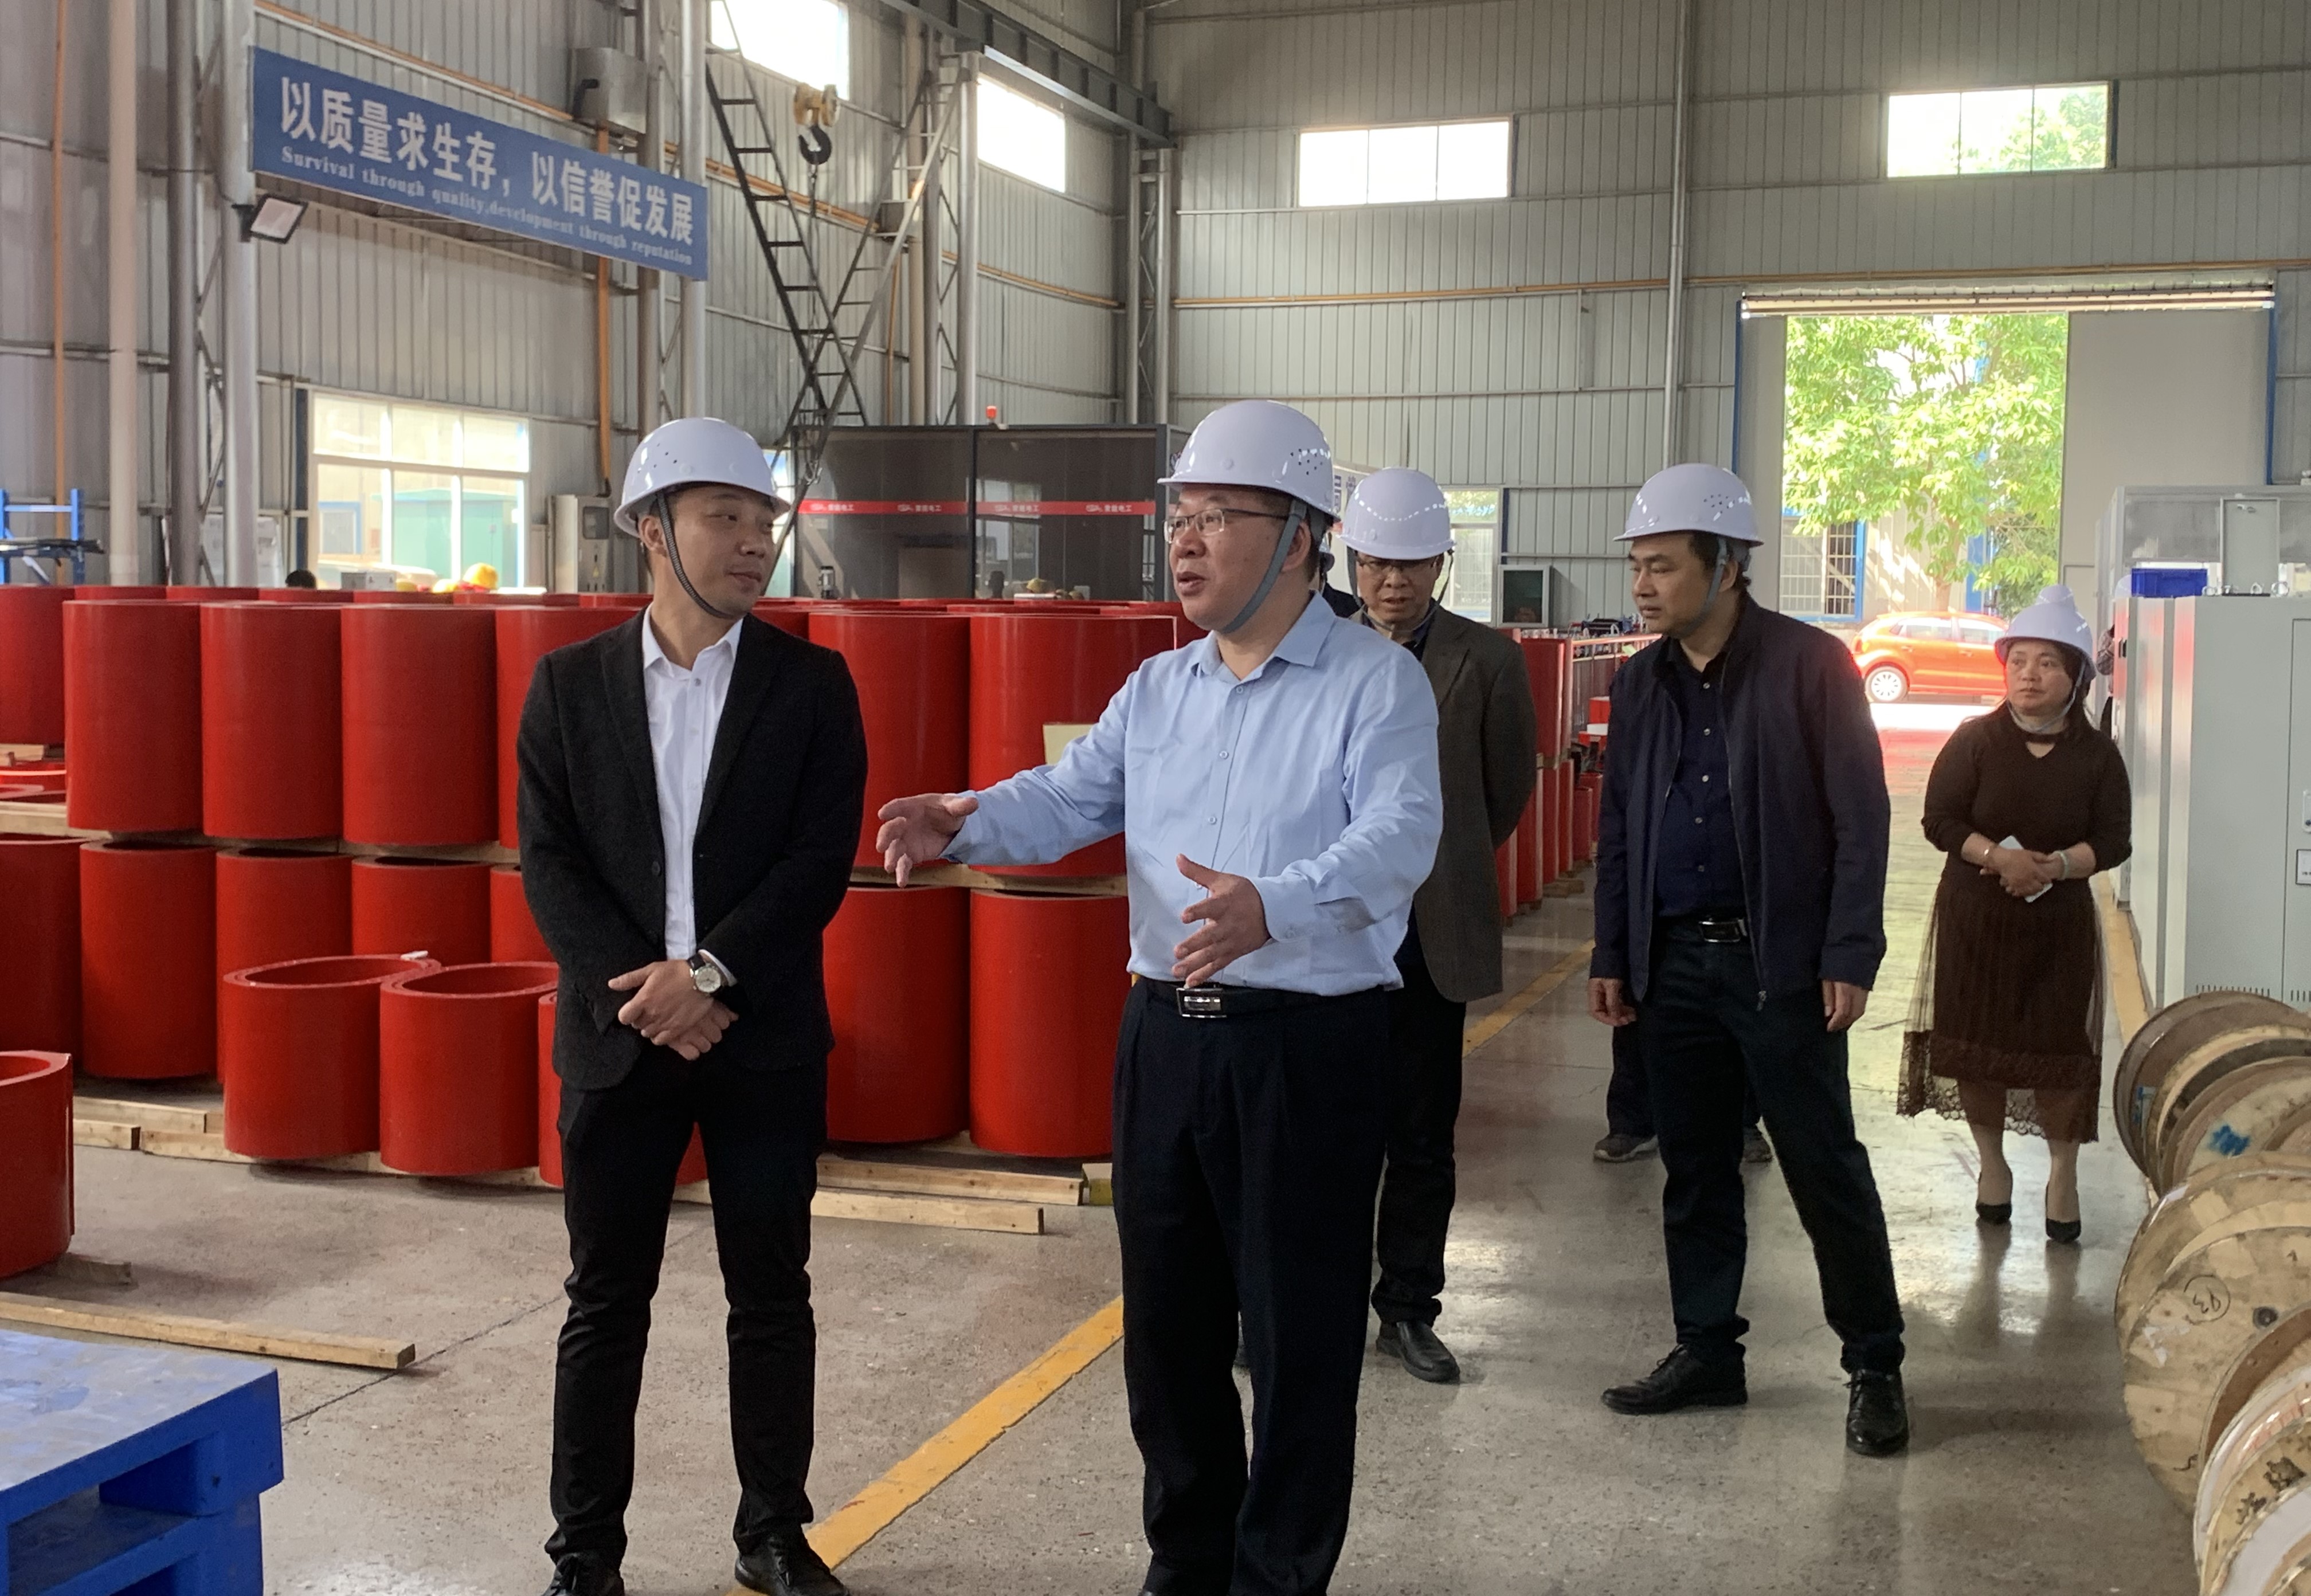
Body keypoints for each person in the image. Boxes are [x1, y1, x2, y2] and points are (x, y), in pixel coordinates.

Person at [876, 400, 1442, 1596]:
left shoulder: (1376, 685)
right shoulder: (1157, 688)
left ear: (1299, 539)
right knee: (1170, 1331)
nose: (1185, 540)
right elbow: (1070, 796)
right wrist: (962, 817)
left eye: (1218, 516)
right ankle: (1187, 1560)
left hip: (1307, 1048)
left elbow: (1401, 837)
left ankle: (1277, 1575)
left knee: (1297, 1336)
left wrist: (1274, 904)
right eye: (1179, 516)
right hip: (1165, 1043)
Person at [517, 416, 868, 1596]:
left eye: (764, 519)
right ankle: (585, 1556)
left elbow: (816, 862)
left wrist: (709, 975)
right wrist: (648, 995)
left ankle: (773, 1533)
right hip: (619, 1042)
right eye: (726, 516)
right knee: (604, 1303)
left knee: (771, 1295)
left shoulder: (811, 685)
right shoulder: (569, 687)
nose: (754, 541)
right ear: (653, 531)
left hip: (759, 1037)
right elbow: (551, 864)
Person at [1586, 462, 1909, 1457]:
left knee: (1822, 1167)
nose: (1643, 586)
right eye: (1637, 566)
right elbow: (1620, 827)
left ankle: (1875, 1364)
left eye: (1663, 567)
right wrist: (1612, 949)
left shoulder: (1812, 667)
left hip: (1782, 968)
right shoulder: (1639, 683)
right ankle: (1707, 1352)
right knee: (1694, 1170)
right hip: (1674, 966)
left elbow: (1860, 818)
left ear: (1726, 566)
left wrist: (1848, 950)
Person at [1338, 466, 1536, 1384]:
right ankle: (1318, 1303)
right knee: (1329, 1133)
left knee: (1421, 1135)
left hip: (1431, 936)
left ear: (1441, 565)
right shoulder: (1320, 650)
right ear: (1352, 562)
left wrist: (1431, 864)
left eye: (1413, 564)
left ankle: (1409, 1310)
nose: (1394, 582)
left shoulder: (1487, 661)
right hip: (1333, 932)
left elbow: (1505, 793)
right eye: (1378, 563)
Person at [1898, 586, 2130, 1244]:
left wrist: (2055, 866)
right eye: (2019, 661)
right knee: (1979, 1049)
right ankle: (1993, 1166)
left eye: (2047, 663)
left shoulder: (2098, 756)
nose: (2029, 675)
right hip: (1977, 920)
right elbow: (1939, 819)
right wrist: (1998, 858)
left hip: (2058, 928)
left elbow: (2114, 839)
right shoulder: (1975, 741)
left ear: (2077, 676)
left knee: (2059, 1049)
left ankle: (2063, 1175)